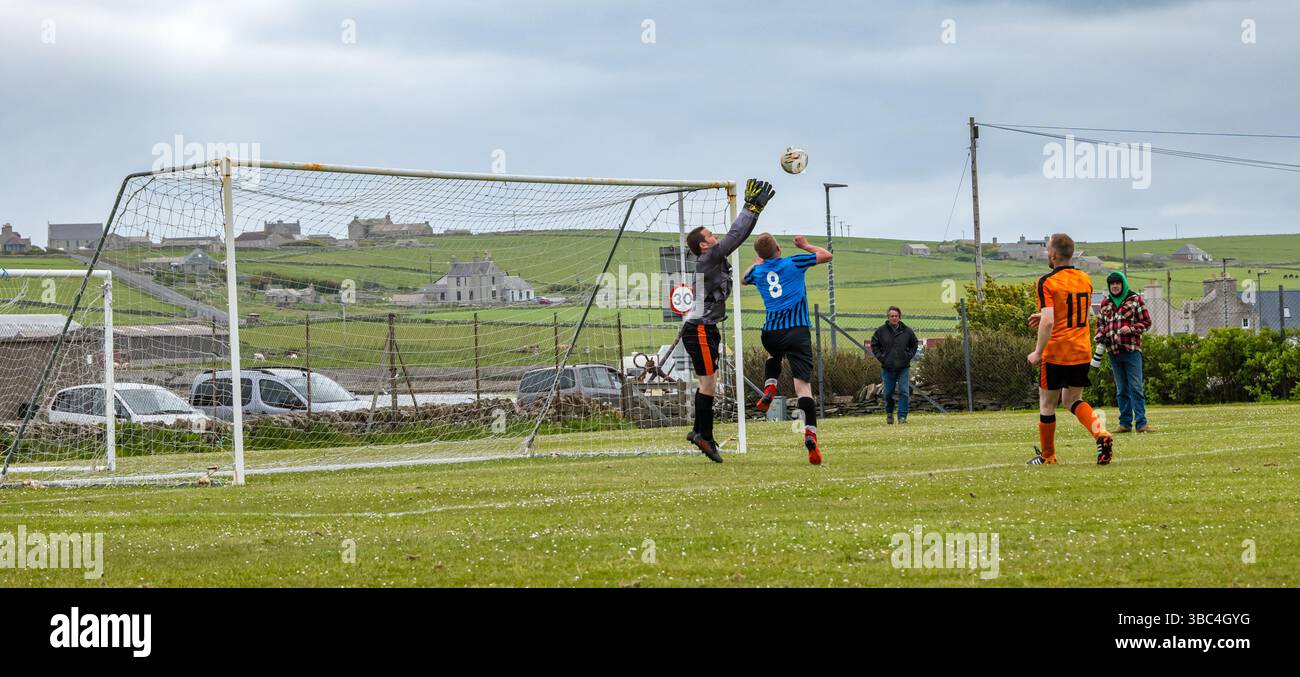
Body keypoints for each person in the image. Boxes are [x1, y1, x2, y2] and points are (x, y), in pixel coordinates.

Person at [680, 178, 775, 463]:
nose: (715, 236)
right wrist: (752, 208)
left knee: (708, 382)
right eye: (710, 235)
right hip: (698, 330)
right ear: (703, 245)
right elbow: (736, 236)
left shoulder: (712, 259)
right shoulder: (707, 259)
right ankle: (704, 437)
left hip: (704, 329)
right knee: (708, 384)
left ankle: (698, 430)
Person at [742, 233, 832, 464]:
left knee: (773, 354)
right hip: (797, 331)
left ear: (760, 256)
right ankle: (810, 433)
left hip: (771, 333)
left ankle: (769, 387)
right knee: (803, 388)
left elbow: (743, 279)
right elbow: (826, 256)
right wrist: (805, 245)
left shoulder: (758, 272)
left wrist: (757, 262)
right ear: (779, 249)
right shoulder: (794, 262)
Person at [1026, 233, 1114, 465]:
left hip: (1057, 350)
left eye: (1047, 250)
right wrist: (1046, 315)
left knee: (1047, 403)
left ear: (1053, 254)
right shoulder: (1084, 278)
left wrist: (1037, 352)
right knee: (1073, 399)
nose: (1047, 253)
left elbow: (1048, 322)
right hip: (1081, 348)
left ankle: (1048, 457)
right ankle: (1101, 434)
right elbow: (1081, 313)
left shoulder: (1047, 281)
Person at [1095, 270, 1154, 433]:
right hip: (1113, 352)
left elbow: (1147, 322)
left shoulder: (1135, 300)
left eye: (1117, 283)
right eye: (1112, 283)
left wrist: (1132, 328)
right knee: (1121, 390)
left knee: (1136, 388)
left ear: (1123, 284)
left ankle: (1142, 424)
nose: (1114, 286)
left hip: (1131, 351)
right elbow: (1100, 324)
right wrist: (1100, 335)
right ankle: (1125, 424)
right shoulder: (1105, 303)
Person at [870, 306, 918, 424]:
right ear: (888, 317)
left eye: (896, 316)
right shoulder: (880, 331)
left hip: (903, 367)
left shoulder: (907, 331)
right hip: (888, 367)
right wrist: (882, 358)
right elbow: (874, 345)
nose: (894, 318)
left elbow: (914, 344)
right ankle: (889, 413)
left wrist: (908, 356)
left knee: (904, 392)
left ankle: (902, 417)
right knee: (888, 393)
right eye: (892, 316)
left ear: (899, 317)